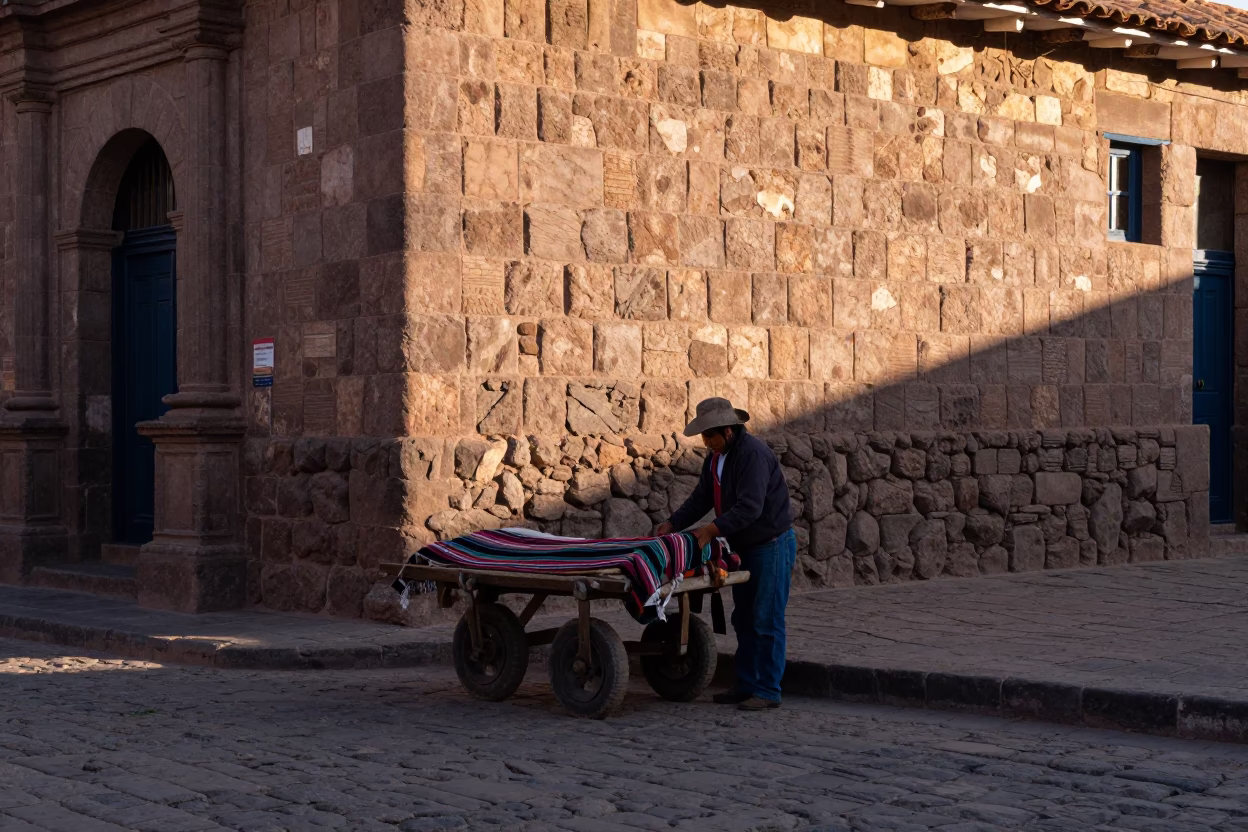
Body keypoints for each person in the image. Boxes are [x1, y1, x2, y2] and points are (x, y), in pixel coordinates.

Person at [656, 397, 796, 712]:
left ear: (728, 431)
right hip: (745, 546)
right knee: (743, 618)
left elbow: (750, 507)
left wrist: (711, 531)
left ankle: (768, 689)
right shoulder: (716, 458)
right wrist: (674, 522)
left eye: (710, 436)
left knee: (766, 619)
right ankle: (746, 684)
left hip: (770, 545)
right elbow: (701, 497)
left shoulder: (753, 455)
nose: (706, 443)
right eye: (704, 436)